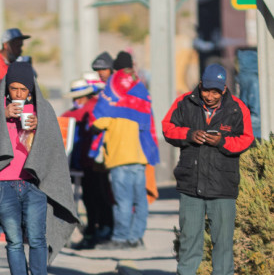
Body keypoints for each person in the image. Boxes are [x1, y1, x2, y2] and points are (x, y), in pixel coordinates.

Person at [0, 62, 78, 275]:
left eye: (23, 89)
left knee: (38, 238)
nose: (19, 93)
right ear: (7, 87)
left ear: (31, 88)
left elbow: (53, 149)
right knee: (14, 240)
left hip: (34, 185)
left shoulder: (42, 110)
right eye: (14, 88)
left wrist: (40, 128)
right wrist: (2, 116)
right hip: (3, 185)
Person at [163, 64, 254, 275]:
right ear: (200, 84)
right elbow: (168, 127)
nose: (210, 96)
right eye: (206, 90)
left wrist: (222, 142)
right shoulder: (184, 102)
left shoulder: (237, 108)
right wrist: (189, 135)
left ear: (224, 89)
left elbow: (246, 139)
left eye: (216, 91)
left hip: (223, 187)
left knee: (222, 245)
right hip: (190, 187)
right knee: (189, 242)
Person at [90, 66, 160, 250]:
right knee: (140, 201)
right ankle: (136, 238)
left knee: (123, 202)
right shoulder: (140, 105)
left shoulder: (113, 109)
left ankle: (120, 239)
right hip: (139, 159)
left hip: (119, 161)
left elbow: (96, 123)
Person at [61, 79, 113, 249]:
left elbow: (71, 116)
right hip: (88, 162)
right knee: (94, 197)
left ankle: (95, 234)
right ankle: (96, 232)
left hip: (93, 162)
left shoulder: (90, 107)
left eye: (78, 97)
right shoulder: (88, 106)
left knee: (95, 198)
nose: (76, 101)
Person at [0, 28, 31, 93]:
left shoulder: (12, 63)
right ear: (6, 45)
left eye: (20, 46)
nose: (20, 50)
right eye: (17, 46)